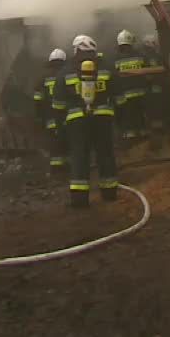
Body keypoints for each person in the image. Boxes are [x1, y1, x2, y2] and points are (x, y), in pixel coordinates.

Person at [54, 35, 118, 208]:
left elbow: (58, 103)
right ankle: (110, 193)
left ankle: (80, 199)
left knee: (80, 156)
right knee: (105, 154)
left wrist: (60, 126)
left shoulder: (65, 71)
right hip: (103, 118)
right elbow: (118, 94)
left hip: (77, 121)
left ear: (76, 50)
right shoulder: (106, 67)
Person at [112, 30, 150, 140]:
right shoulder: (141, 56)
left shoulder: (115, 59)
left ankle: (130, 136)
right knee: (140, 115)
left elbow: (113, 78)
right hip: (141, 93)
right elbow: (149, 74)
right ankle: (142, 135)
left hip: (124, 96)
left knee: (127, 115)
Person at [34, 48, 68, 171]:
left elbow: (37, 99)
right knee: (68, 142)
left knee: (54, 143)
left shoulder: (42, 78)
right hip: (67, 116)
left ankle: (56, 169)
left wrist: (39, 116)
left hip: (50, 117)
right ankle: (70, 167)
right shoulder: (68, 75)